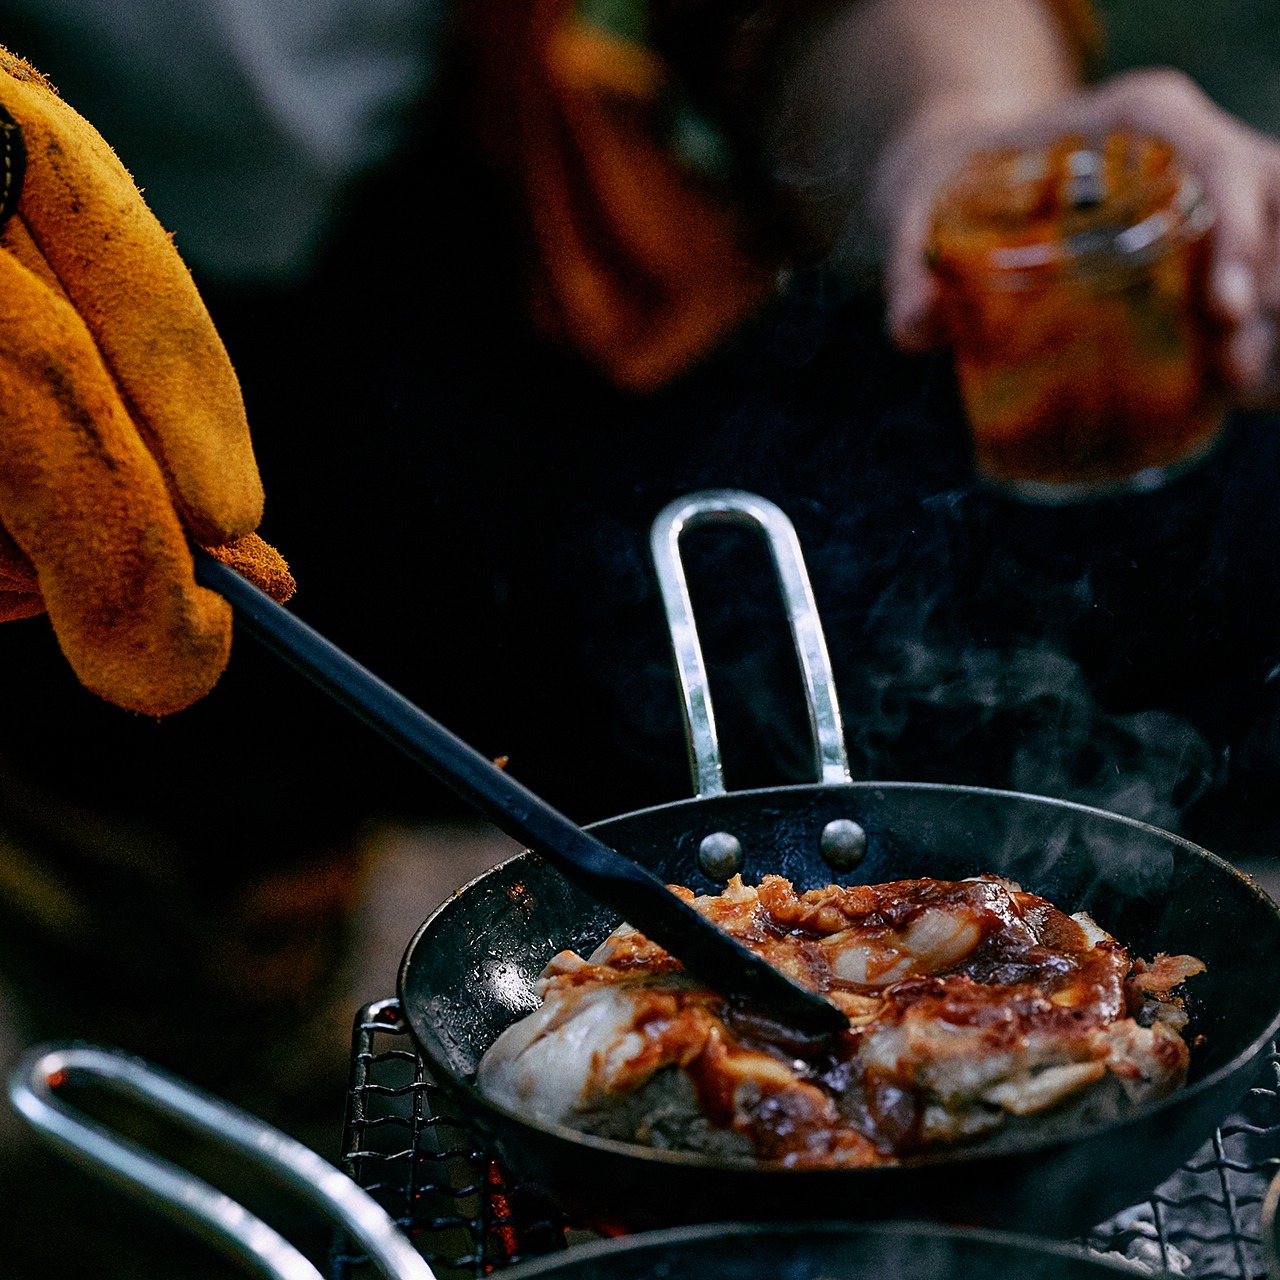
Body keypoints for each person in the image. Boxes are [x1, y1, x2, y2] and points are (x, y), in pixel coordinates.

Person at [0, 2, 1279, 1274]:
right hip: (58, 366)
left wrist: (970, 139)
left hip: (492, 270)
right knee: (170, 925)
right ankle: (212, 1150)